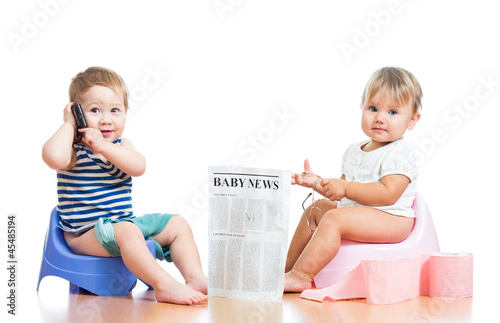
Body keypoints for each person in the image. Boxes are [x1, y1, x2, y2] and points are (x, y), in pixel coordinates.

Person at [42, 66, 207, 305]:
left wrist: (103, 147)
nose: (106, 119)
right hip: (85, 234)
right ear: (77, 112)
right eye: (95, 110)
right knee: (127, 231)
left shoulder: (121, 146)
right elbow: (53, 157)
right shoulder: (72, 151)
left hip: (122, 226)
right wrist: (68, 124)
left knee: (177, 224)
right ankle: (164, 285)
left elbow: (138, 166)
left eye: (115, 110)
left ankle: (195, 278)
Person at [284, 67, 422, 292]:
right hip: (362, 212)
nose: (380, 118)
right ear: (362, 107)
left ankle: (301, 276)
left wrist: (346, 188)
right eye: (373, 108)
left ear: (412, 120)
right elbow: (341, 194)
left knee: (334, 219)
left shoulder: (398, 152)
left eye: (393, 112)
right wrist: (317, 182)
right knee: (316, 210)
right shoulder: (353, 151)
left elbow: (388, 194)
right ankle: (287, 270)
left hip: (392, 218)